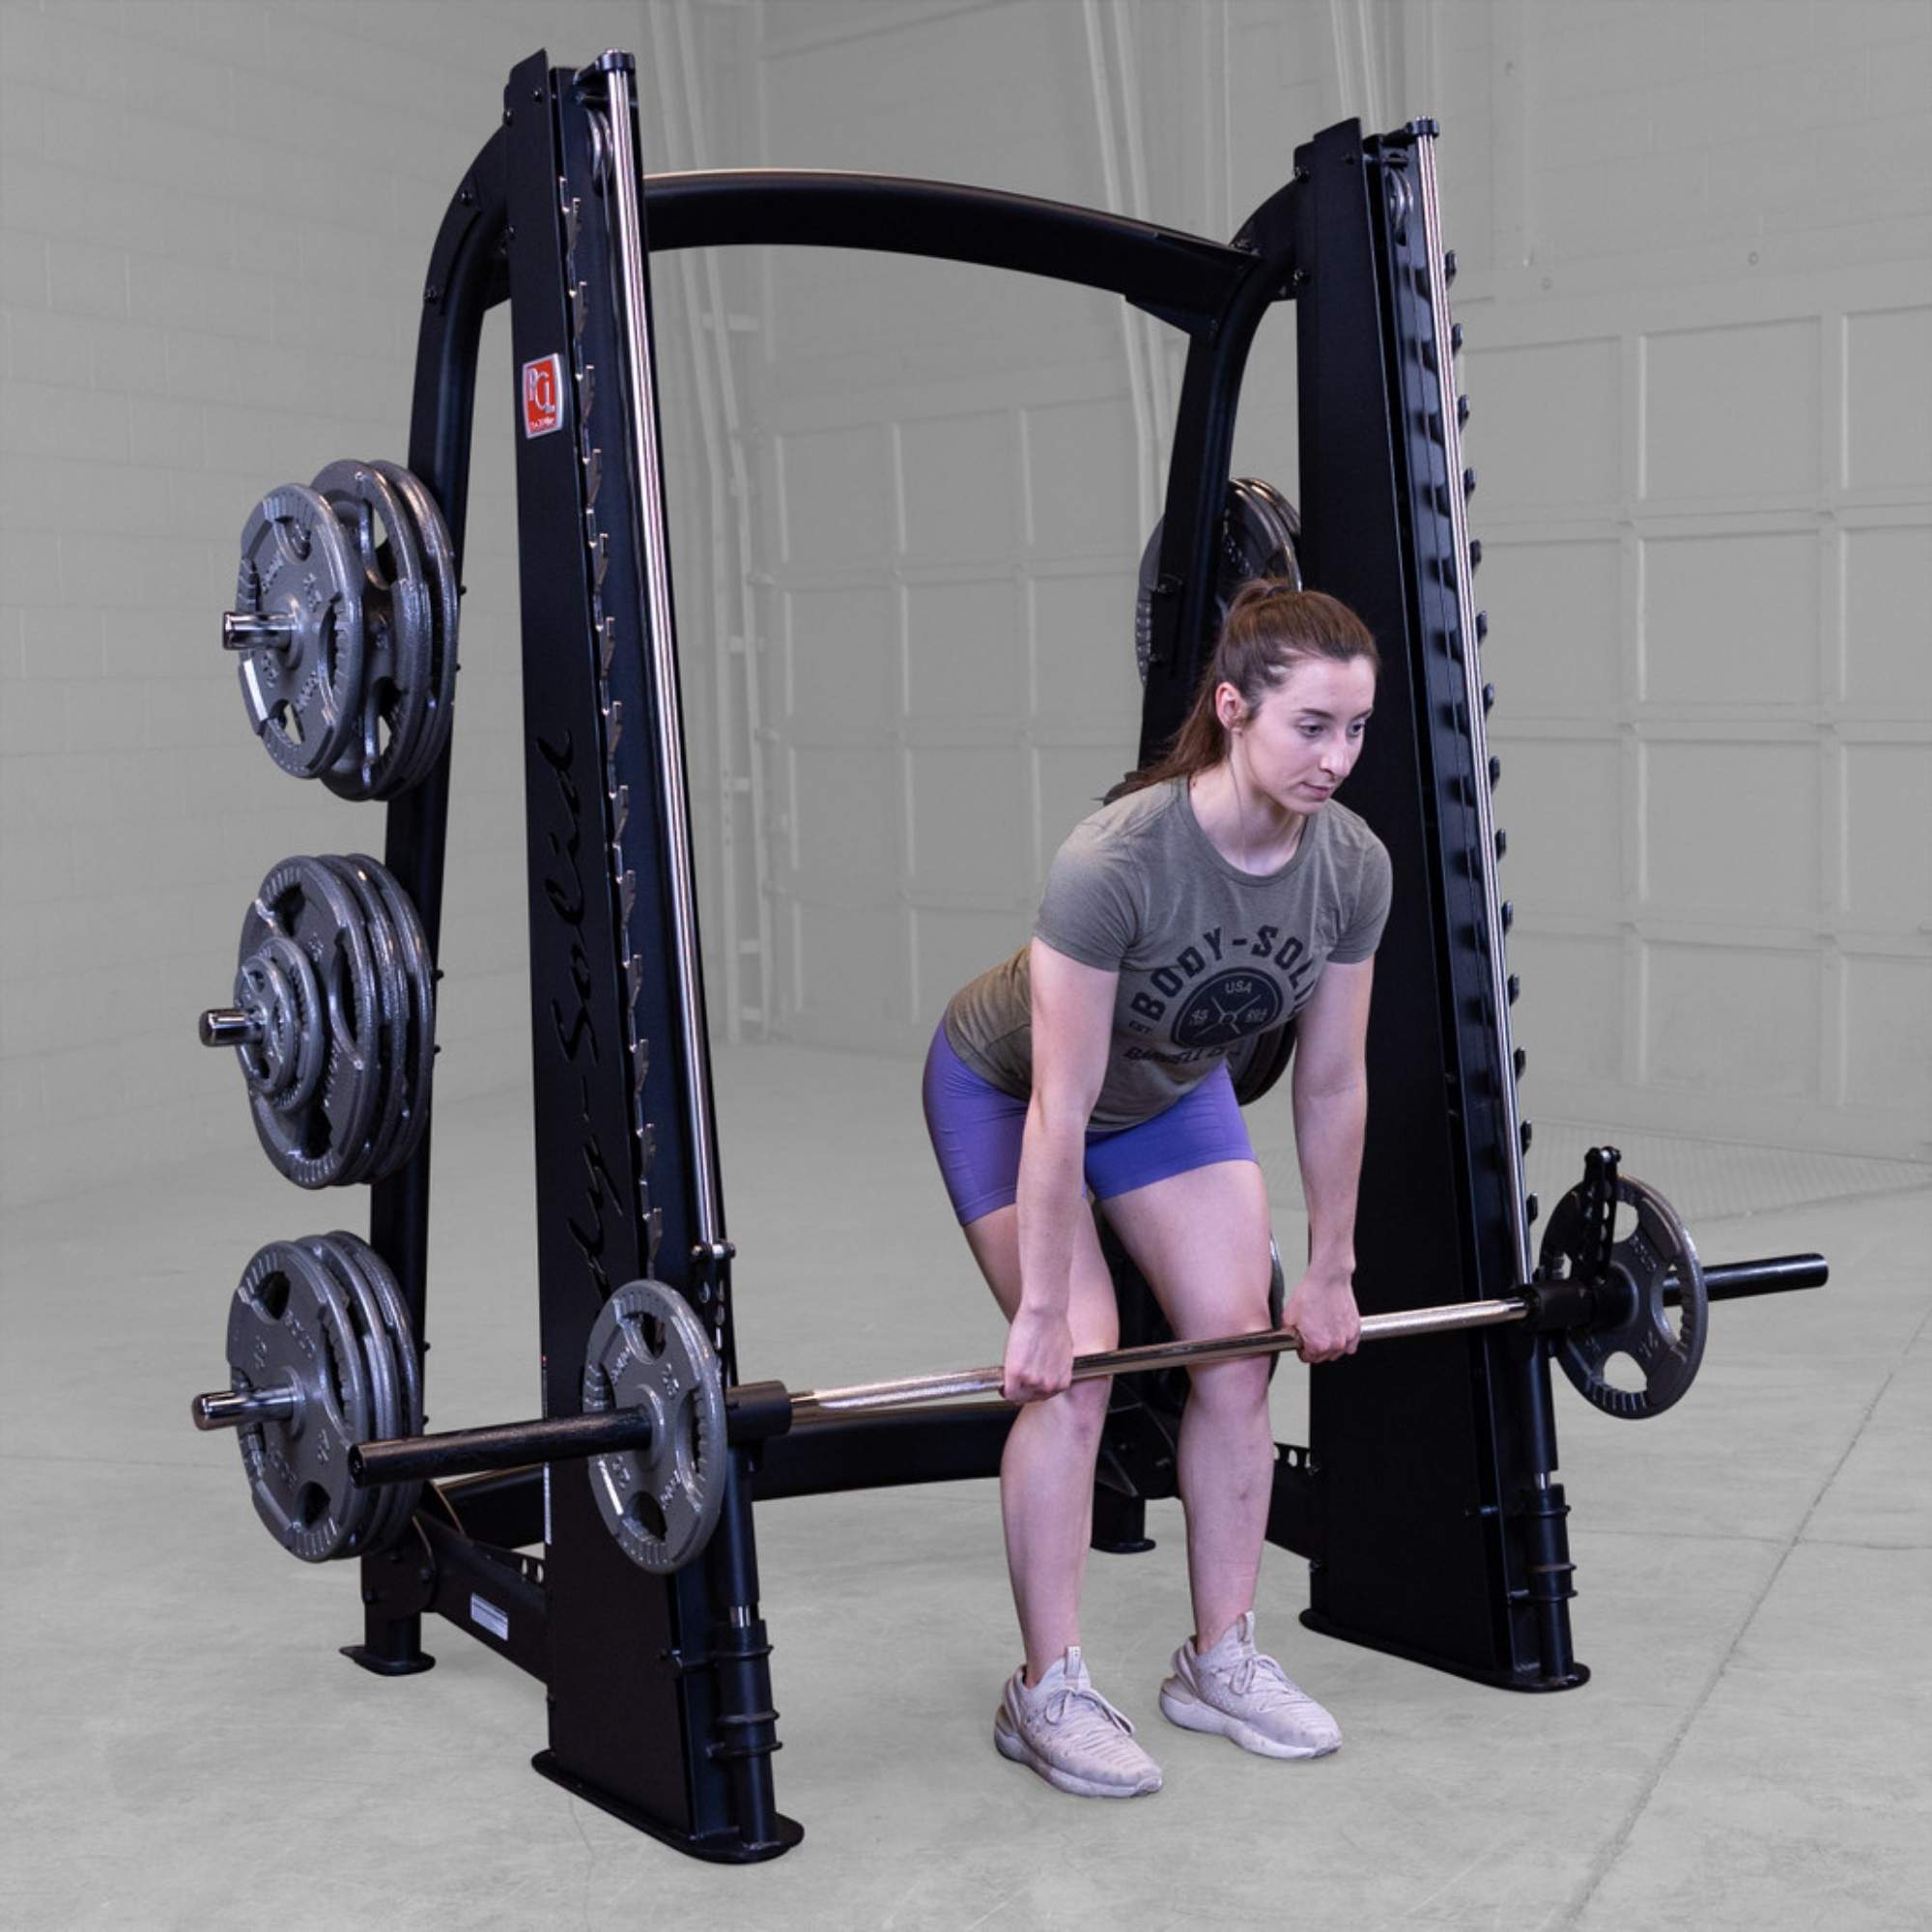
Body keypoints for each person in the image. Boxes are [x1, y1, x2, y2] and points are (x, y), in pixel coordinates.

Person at [921, 581, 1390, 1800]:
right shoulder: (1116, 861)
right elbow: (1062, 1105)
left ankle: (1218, 1657)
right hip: (1009, 1090)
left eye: (1354, 730)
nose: (1334, 757)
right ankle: (1047, 1688)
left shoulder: (1350, 868)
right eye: (1309, 726)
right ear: (1232, 709)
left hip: (1172, 1095)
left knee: (1237, 1351)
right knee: (1077, 1370)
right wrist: (1037, 1316)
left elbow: (1331, 1083)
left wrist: (1330, 1264)